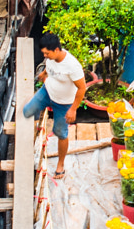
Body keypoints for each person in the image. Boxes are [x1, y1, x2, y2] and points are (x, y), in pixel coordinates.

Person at [23, 30, 87, 181]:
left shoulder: (72, 66)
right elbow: (48, 65)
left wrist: (72, 109)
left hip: (63, 104)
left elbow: (82, 88)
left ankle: (60, 164)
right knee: (27, 111)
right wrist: (44, 74)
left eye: (47, 53)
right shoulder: (50, 58)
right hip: (47, 91)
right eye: (43, 53)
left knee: (60, 133)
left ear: (57, 50)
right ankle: (30, 140)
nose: (44, 56)